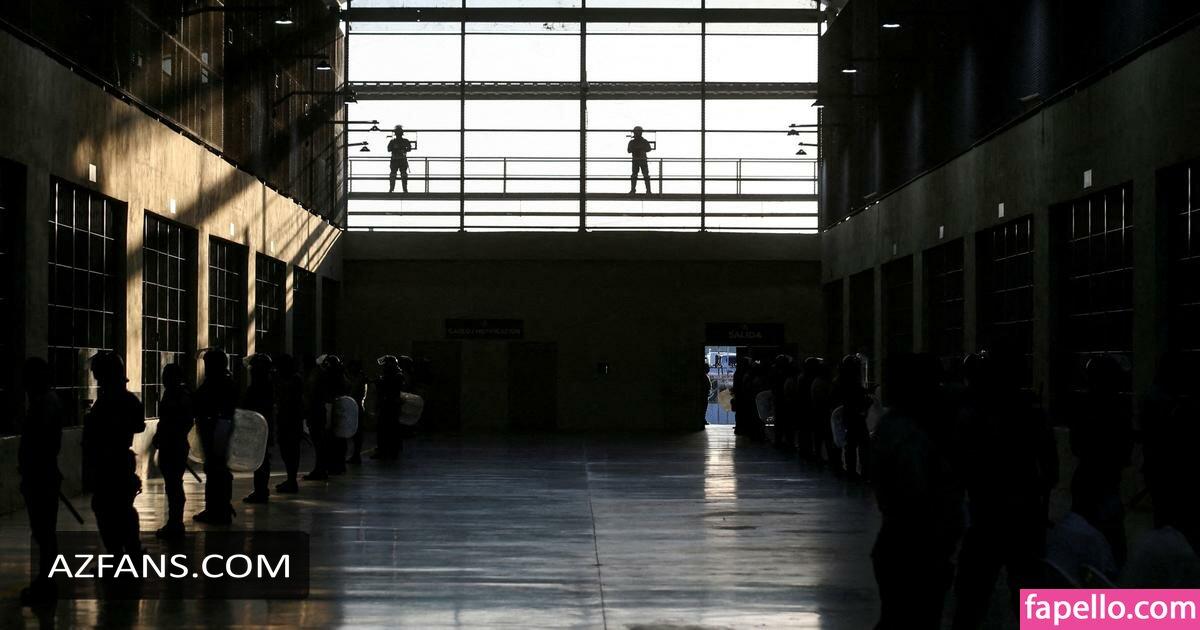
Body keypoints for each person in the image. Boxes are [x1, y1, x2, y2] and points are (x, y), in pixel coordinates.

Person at [951, 352, 1058, 629]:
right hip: (1023, 517)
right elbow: (1051, 470)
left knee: (971, 601)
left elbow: (959, 468)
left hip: (987, 517)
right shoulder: (1031, 411)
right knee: (1027, 598)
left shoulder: (974, 413)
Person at [871, 353, 963, 629]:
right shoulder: (911, 434)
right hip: (916, 546)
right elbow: (916, 495)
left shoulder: (893, 426)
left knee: (898, 618)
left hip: (905, 542)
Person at [1069, 354, 1133, 568]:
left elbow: (1076, 446)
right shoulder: (1118, 410)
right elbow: (1124, 453)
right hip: (1106, 487)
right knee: (1112, 553)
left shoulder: (1082, 407)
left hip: (1086, 483)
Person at [81, 351, 145, 556]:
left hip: (111, 461)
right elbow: (139, 425)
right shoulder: (128, 399)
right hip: (118, 460)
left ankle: (120, 553)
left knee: (110, 510)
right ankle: (129, 552)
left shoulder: (110, 401)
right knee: (120, 509)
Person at [18, 357, 65, 604]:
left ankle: (46, 582)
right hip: (41, 473)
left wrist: (33, 466)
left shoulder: (44, 404)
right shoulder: (47, 401)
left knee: (44, 531)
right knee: (43, 531)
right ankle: (45, 580)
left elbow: (41, 442)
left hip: (41, 475)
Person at [194, 348, 239, 525]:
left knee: (216, 469)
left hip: (217, 429)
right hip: (217, 428)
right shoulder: (225, 381)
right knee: (216, 469)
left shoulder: (218, 382)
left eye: (208, 364)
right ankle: (218, 508)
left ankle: (217, 509)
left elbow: (203, 401)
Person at [153, 363, 193, 540]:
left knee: (174, 484)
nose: (164, 379)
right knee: (172, 484)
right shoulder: (172, 394)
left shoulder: (180, 396)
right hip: (170, 443)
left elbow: (184, 421)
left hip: (174, 444)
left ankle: (176, 523)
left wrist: (171, 435)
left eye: (167, 376)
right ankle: (174, 522)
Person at [242, 354, 275, 504]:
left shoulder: (259, 387)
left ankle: (261, 491)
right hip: (263, 427)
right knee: (262, 459)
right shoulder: (267, 384)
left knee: (261, 460)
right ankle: (261, 490)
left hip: (259, 428)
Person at [833, 354, 871, 480]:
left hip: (848, 417)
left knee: (851, 445)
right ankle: (862, 471)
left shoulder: (839, 382)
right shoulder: (854, 383)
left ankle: (851, 471)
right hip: (855, 417)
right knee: (861, 444)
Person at [274, 354, 305, 493]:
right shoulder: (290, 379)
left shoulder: (294, 380)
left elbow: (289, 399)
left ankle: (292, 480)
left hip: (291, 421)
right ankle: (290, 479)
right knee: (287, 451)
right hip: (287, 420)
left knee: (291, 451)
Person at [372, 354, 407, 460]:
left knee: (386, 429)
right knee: (389, 429)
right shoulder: (396, 375)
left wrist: (380, 383)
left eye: (386, 364)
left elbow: (388, 389)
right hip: (390, 405)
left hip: (390, 405)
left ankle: (386, 450)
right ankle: (389, 450)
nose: (384, 367)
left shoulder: (395, 376)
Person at [346, 359, 368, 465]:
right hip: (356, 406)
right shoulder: (360, 377)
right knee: (356, 434)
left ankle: (356, 455)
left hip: (356, 406)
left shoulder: (359, 378)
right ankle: (356, 455)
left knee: (357, 434)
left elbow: (353, 391)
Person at [387, 125, 414, 193]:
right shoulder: (404, 141)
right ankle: (402, 189)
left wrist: (399, 149)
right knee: (401, 174)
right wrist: (401, 149)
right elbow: (389, 149)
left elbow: (389, 149)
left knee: (395, 174)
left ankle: (392, 189)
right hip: (400, 159)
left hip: (397, 159)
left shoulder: (393, 141)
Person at [627, 126, 653, 194]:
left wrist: (639, 148)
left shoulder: (643, 141)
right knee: (636, 175)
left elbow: (648, 149)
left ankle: (647, 190)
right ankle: (636, 190)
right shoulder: (635, 142)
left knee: (644, 175)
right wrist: (638, 148)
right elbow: (629, 150)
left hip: (641, 160)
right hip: (637, 160)